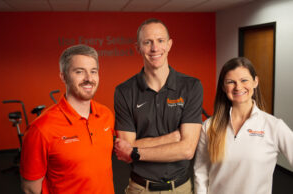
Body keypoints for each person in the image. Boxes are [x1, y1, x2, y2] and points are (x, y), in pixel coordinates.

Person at [114, 18, 203, 193]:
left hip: (181, 188)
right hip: (140, 188)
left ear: (169, 44)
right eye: (147, 42)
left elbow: (187, 150)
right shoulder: (124, 91)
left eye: (160, 41)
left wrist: (136, 152)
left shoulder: (191, 86)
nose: (155, 48)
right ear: (138, 47)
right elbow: (125, 149)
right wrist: (171, 139)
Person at [20, 44, 115, 194]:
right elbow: (30, 189)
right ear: (63, 76)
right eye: (79, 72)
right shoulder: (41, 129)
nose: (89, 78)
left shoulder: (106, 115)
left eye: (93, 71)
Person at [193, 57, 293, 194]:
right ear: (223, 87)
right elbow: (201, 172)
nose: (238, 87)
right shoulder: (209, 126)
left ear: (255, 82)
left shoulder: (274, 127)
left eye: (244, 80)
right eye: (230, 82)